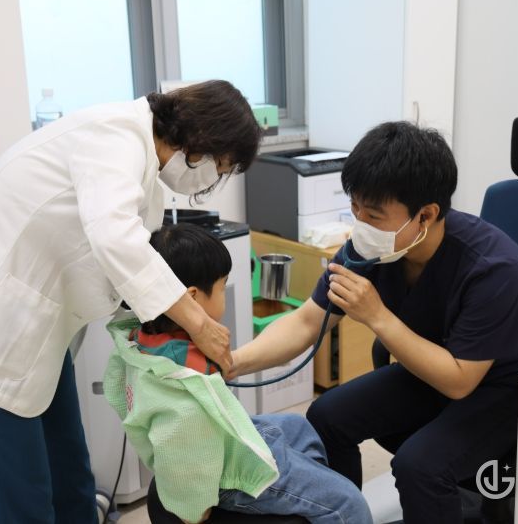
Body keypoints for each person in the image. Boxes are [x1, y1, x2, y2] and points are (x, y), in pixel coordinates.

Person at [0, 80, 261, 524]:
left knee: (70, 472)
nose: (212, 179)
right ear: (201, 139)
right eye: (219, 166)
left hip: (41, 333)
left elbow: (123, 265)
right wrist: (198, 324)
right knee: (24, 494)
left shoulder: (145, 171)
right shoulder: (114, 136)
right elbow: (114, 238)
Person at [230, 121, 518, 524]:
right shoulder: (372, 249)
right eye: (355, 208)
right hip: (432, 368)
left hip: (506, 390)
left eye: (373, 214)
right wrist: (232, 363)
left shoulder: (494, 269)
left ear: (426, 215)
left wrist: (377, 316)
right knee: (326, 418)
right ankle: (344, 515)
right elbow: (306, 322)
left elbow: (459, 381)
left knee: (421, 466)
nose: (360, 225)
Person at [104, 223, 373, 524]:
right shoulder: (186, 392)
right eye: (223, 286)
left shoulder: (141, 339)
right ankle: (318, 500)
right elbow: (181, 457)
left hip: (225, 443)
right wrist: (195, 509)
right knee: (348, 502)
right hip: (228, 477)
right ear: (192, 298)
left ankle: (308, 495)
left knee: (297, 427)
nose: (224, 293)